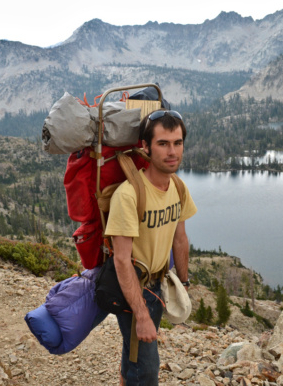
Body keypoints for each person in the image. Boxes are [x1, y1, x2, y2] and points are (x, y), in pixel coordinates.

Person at [104, 109, 198, 385]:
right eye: (163, 143)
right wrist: (141, 315)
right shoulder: (129, 195)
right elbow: (121, 260)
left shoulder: (178, 188)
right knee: (146, 370)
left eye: (177, 143)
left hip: (158, 286)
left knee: (133, 354)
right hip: (133, 289)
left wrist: (183, 282)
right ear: (145, 147)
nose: (173, 151)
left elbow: (180, 237)